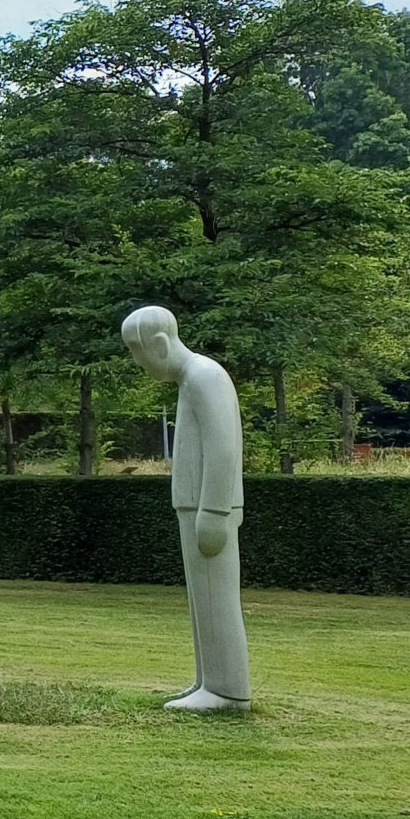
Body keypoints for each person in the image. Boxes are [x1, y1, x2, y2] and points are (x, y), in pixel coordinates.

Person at [121, 305, 251, 711]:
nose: (139, 364)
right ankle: (209, 681)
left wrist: (213, 511)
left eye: (139, 354)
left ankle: (227, 689)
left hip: (207, 508)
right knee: (205, 599)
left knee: (217, 598)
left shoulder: (204, 376)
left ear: (158, 345)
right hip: (196, 507)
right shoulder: (192, 380)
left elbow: (223, 447)